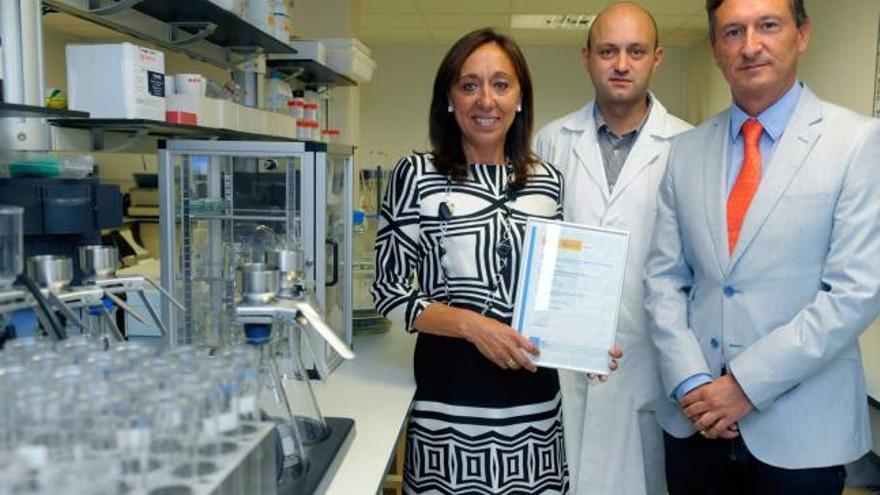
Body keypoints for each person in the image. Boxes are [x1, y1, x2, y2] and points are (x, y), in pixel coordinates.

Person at [644, 0, 880, 493]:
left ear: (803, 34)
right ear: (715, 49)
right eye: (733, 32)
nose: (750, 46)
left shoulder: (857, 143)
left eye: (768, 26)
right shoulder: (684, 152)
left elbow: (854, 293)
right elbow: (665, 279)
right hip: (696, 424)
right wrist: (692, 383)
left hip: (802, 432)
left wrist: (744, 385)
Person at [372, 28, 620, 494]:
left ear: (520, 97)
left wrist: (584, 341)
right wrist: (471, 325)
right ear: (449, 98)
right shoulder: (418, 175)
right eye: (469, 85)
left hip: (535, 413)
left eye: (501, 84)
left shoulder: (548, 182)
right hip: (450, 412)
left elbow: (557, 291)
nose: (486, 100)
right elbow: (389, 291)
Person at [534, 3, 691, 494]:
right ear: (587, 57)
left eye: (635, 51)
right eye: (608, 51)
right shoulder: (550, 142)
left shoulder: (689, 146)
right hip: (561, 364)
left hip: (648, 368)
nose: (621, 64)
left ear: (656, 58)